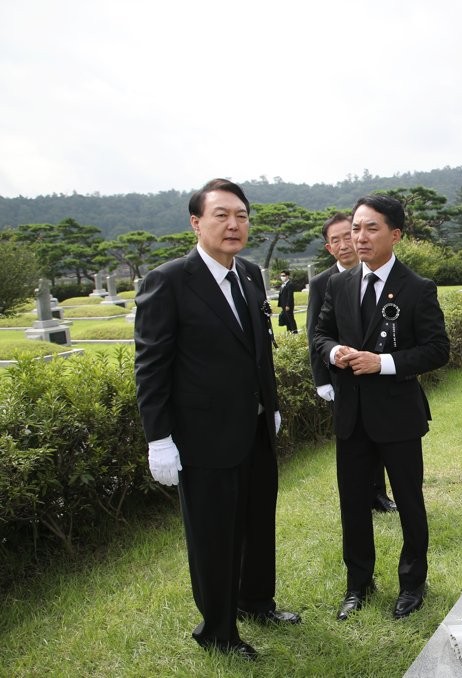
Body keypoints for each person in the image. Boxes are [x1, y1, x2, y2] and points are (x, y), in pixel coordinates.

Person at [134, 178, 300, 661]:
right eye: (222, 215)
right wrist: (158, 439)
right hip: (202, 438)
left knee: (256, 521)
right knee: (214, 535)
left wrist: (270, 408)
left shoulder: (248, 274)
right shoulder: (168, 281)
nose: (234, 225)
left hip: (252, 430)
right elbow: (151, 367)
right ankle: (219, 631)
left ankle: (256, 601)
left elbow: (257, 353)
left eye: (242, 216)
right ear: (196, 222)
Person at [312, 194, 449, 622]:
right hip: (351, 415)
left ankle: (412, 583)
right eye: (356, 228)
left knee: (408, 500)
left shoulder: (417, 287)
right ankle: (358, 584)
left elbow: (436, 349)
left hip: (398, 415)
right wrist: (334, 353)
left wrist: (384, 363)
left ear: (396, 234)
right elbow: (320, 335)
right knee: (352, 503)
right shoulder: (339, 283)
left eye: (371, 228)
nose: (360, 237)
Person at [307, 212, 398, 514]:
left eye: (349, 235)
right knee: (353, 440)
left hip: (378, 372)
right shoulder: (323, 283)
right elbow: (316, 334)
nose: (346, 244)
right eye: (336, 240)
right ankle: (359, 495)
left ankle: (379, 492)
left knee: (380, 434)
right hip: (342, 377)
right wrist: (322, 380)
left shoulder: (377, 275)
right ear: (328, 248)